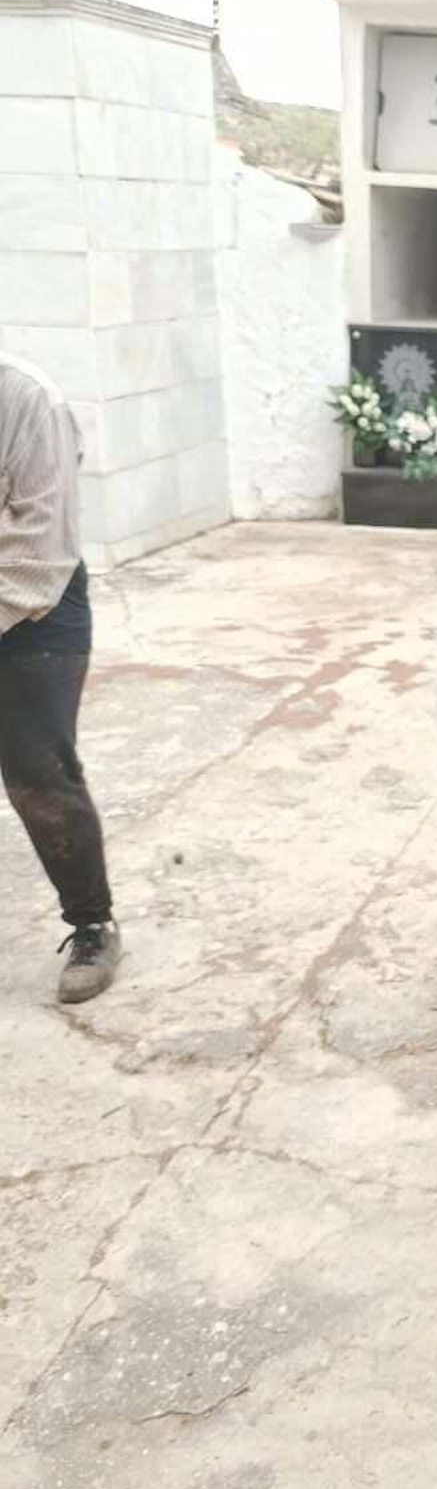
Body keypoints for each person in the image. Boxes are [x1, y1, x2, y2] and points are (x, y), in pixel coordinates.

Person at [0, 351, 121, 1002]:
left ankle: (92, 923)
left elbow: (41, 546)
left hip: (36, 607)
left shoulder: (27, 400)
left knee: (37, 772)